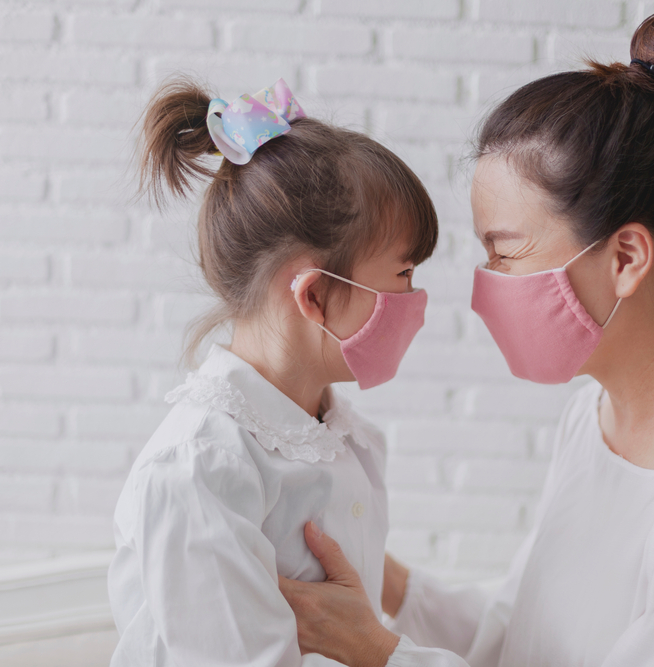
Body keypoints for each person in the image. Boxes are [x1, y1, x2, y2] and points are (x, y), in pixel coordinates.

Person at [278, 5, 654, 666]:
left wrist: (380, 652)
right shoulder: (593, 417)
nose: (488, 283)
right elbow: (517, 635)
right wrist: (381, 577)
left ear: (627, 259)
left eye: (506, 253)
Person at [107, 77, 438, 666]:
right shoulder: (201, 472)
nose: (416, 299)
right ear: (312, 297)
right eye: (404, 274)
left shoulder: (346, 439)